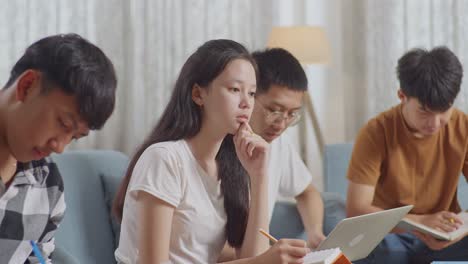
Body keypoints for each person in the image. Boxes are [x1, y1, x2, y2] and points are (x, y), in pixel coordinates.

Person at [112, 39, 310, 264]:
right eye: (235, 89)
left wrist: (259, 176)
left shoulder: (231, 166)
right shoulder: (165, 159)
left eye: (252, 93)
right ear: (198, 94)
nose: (246, 103)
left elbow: (252, 258)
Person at [218, 48, 346, 262]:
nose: (282, 123)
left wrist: (314, 232)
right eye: (274, 110)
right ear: (249, 96)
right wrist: (267, 255)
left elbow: (307, 192)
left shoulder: (277, 143)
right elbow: (206, 248)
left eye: (292, 114)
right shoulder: (213, 149)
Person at [0, 34, 117, 263]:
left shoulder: (48, 184)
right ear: (27, 86)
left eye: (74, 137)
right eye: (63, 124)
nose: (61, 147)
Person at [347, 46, 468, 263]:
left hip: (445, 235)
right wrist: (420, 222)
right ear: (402, 96)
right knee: (375, 252)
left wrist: (459, 227)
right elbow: (357, 210)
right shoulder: (376, 132)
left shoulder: (463, 127)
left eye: (444, 110)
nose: (435, 123)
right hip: (393, 237)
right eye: (424, 111)